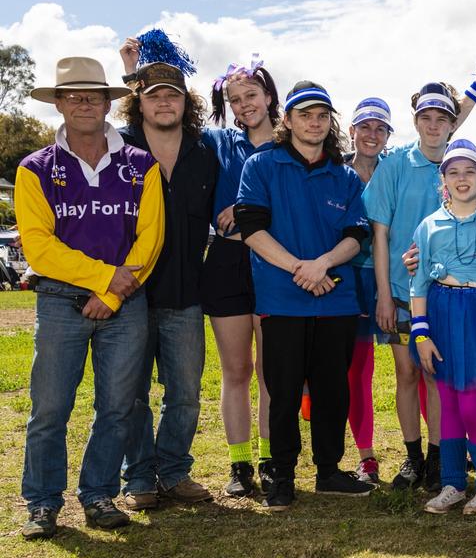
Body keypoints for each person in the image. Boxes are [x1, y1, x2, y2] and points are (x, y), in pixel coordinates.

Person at [17, 56, 164, 539]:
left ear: (108, 102)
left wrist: (115, 294)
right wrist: (105, 280)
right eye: (73, 95)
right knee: (50, 409)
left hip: (125, 303)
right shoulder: (33, 168)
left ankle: (98, 494)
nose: (84, 103)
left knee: (118, 407)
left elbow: (151, 238)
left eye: (94, 95)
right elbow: (39, 247)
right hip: (61, 300)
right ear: (58, 103)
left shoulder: (141, 164)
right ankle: (41, 503)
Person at [235, 81, 376, 509]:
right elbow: (252, 229)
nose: (314, 123)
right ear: (288, 120)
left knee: (333, 389)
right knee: (284, 390)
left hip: (335, 299)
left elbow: (357, 236)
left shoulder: (345, 175)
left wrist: (324, 264)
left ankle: (329, 471)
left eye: (321, 116)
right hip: (283, 299)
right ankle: (282, 476)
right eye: (305, 115)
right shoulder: (262, 166)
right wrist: (302, 268)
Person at [363, 71, 476, 493]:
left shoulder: (464, 166)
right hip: (398, 293)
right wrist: (382, 294)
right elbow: (379, 234)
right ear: (415, 121)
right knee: (407, 374)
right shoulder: (395, 164)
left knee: (437, 376)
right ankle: (413, 457)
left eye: (442, 119)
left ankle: (440, 457)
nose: (434, 126)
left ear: (453, 123)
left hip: (449, 295)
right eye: (426, 118)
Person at [115, 47, 220, 510]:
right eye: (154, 95)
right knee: (130, 393)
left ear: (185, 101)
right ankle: (138, 478)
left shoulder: (205, 151)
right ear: (139, 101)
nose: (164, 103)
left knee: (185, 393)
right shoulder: (117, 147)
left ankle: (174, 471)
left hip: (185, 294)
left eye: (172, 95)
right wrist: (126, 67)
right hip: (130, 295)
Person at [411, 139, 476, 515]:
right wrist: (421, 332)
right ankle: (454, 483)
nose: (461, 178)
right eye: (453, 172)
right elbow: (419, 282)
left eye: (469, 170)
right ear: (443, 180)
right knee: (449, 407)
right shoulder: (429, 225)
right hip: (440, 312)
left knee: (472, 405)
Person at [200, 54, 282, 496]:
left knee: (271, 370)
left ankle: (270, 460)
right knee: (236, 370)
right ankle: (239, 466)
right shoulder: (217, 141)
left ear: (269, 96)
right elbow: (161, 124)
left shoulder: (291, 144)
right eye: (234, 99)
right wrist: (137, 73)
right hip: (227, 263)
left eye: (251, 95)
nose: (244, 104)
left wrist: (250, 210)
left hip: (273, 264)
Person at [345, 98, 394, 483]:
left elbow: (443, 132)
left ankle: (443, 450)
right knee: (357, 370)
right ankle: (367, 456)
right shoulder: (336, 170)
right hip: (350, 279)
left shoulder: (395, 170)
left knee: (415, 367)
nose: (372, 135)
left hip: (392, 279)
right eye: (366, 127)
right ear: (352, 131)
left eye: (380, 128)